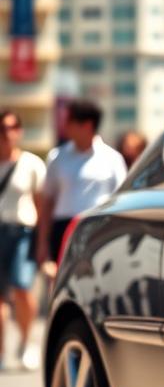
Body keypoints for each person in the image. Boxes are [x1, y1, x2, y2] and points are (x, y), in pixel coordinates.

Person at [36, 100, 126, 275]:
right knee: (62, 281)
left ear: (87, 125)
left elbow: (122, 200)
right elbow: (47, 202)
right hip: (63, 229)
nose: (65, 125)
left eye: (70, 121)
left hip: (99, 228)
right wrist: (42, 243)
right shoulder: (57, 157)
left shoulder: (112, 159)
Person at [0, 110, 45, 370]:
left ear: (20, 131)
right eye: (3, 128)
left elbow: (41, 205)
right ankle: (2, 350)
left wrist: (42, 243)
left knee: (22, 289)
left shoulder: (31, 164)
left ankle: (26, 343)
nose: (7, 133)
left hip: (23, 233)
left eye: (13, 127)